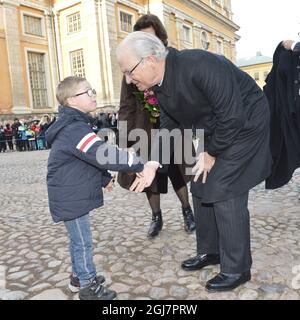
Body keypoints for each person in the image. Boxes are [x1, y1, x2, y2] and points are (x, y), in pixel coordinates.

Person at [116, 32, 272, 291]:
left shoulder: (201, 64)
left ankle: (237, 269)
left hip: (246, 123)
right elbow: (168, 125)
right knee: (199, 183)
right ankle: (211, 251)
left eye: (129, 72)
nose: (128, 80)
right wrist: (153, 162)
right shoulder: (161, 84)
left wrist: (211, 153)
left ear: (150, 60)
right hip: (218, 127)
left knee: (224, 188)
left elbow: (232, 116)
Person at [45, 76, 153, 300]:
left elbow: (86, 157)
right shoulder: (74, 128)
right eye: (88, 92)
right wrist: (138, 164)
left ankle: (77, 277)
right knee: (83, 242)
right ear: (71, 101)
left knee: (78, 240)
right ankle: (87, 285)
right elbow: (102, 153)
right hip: (70, 196)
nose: (93, 94)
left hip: (70, 193)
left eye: (92, 90)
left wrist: (104, 178)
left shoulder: (75, 125)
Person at [117, 14, 195, 238]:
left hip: (174, 126)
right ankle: (156, 217)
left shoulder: (170, 62)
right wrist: (125, 141)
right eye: (140, 37)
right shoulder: (131, 71)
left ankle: (187, 211)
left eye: (150, 37)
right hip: (145, 130)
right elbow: (126, 106)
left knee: (177, 170)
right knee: (149, 175)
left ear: (160, 37)